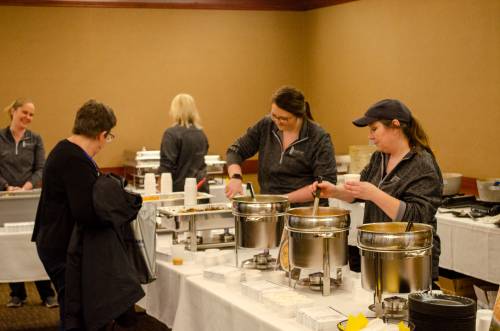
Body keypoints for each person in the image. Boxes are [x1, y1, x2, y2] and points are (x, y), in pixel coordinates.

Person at [32, 100, 143, 330]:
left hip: (53, 241)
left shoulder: (67, 151)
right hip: (60, 246)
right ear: (102, 135)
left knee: (73, 308)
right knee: (74, 312)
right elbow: (86, 213)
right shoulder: (74, 159)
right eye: (108, 137)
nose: (105, 144)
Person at [313, 99, 442, 280]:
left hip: (409, 260)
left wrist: (374, 193)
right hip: (377, 252)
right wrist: (334, 191)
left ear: (396, 126)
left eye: (374, 129)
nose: (370, 136)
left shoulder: (422, 164)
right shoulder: (379, 158)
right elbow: (359, 192)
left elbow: (417, 217)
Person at [225, 86, 337, 205]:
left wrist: (282, 199)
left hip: (305, 212)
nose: (277, 122)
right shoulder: (266, 125)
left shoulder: (318, 137)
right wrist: (236, 177)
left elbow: (325, 184)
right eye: (274, 116)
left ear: (299, 115)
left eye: (284, 118)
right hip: (270, 209)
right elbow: (235, 150)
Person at [0, 98, 57, 308]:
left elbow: (41, 169)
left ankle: (47, 293)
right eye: (25, 112)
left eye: (32, 115)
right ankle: (17, 294)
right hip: (4, 200)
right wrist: (7, 187)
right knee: (11, 245)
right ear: (13, 111)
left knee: (35, 243)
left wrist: (25, 187)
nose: (28, 118)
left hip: (29, 198)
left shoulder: (36, 139)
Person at [159, 93, 209, 193]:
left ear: (174, 110)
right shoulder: (201, 134)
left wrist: (161, 187)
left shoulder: (171, 134)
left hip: (180, 191)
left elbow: (166, 166)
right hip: (201, 189)